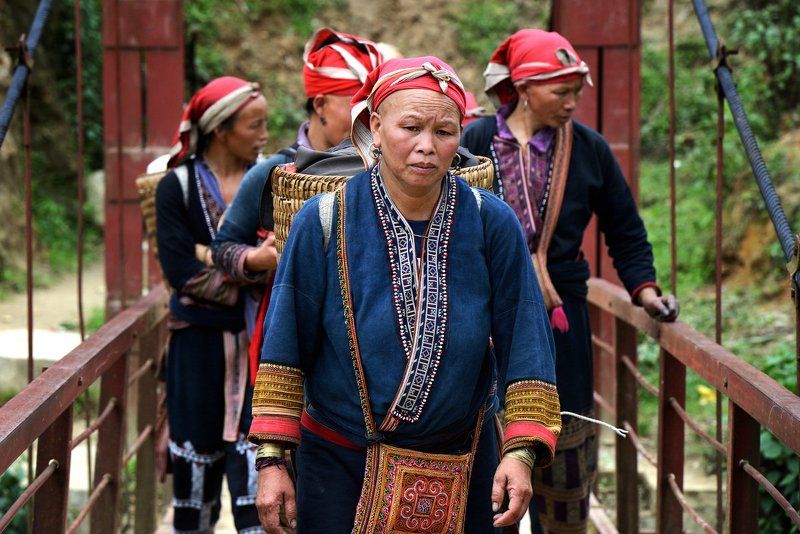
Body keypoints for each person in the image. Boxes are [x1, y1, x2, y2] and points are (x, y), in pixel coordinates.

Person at [248, 56, 563, 534]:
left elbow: (526, 341)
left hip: (463, 459)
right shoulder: (323, 219)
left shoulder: (491, 221)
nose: (426, 147)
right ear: (375, 126)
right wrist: (272, 461)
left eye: (444, 132)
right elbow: (285, 346)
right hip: (338, 466)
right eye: (410, 127)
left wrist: (519, 453)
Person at [461, 29, 679, 533]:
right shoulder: (474, 142)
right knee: (484, 448)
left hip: (562, 323)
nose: (573, 102)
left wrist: (645, 291)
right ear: (526, 86)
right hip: (483, 318)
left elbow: (624, 228)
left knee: (566, 444)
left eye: (577, 92)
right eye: (562, 91)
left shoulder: (590, 149)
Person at [155, 76, 268, 533]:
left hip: (259, 350)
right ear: (221, 131)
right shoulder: (175, 188)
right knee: (195, 484)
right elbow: (181, 273)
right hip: (197, 352)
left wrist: (213, 256)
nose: (264, 134)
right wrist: (254, 270)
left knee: (262, 484)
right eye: (253, 125)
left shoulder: (271, 180)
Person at [211, 28, 382, 304]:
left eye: (372, 106)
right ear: (320, 105)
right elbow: (222, 249)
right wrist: (257, 259)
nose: (366, 117)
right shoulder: (278, 172)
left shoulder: (382, 170)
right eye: (356, 105)